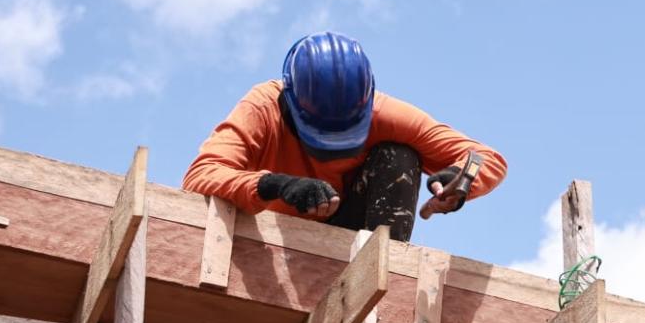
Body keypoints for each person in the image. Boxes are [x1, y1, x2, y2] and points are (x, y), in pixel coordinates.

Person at [183, 32, 506, 239]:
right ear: (291, 105)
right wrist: (278, 185)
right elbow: (200, 177)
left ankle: (381, 271)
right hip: (272, 244)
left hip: (350, 244)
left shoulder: (385, 113)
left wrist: (461, 178)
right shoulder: (263, 107)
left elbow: (484, 159)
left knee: (400, 158)